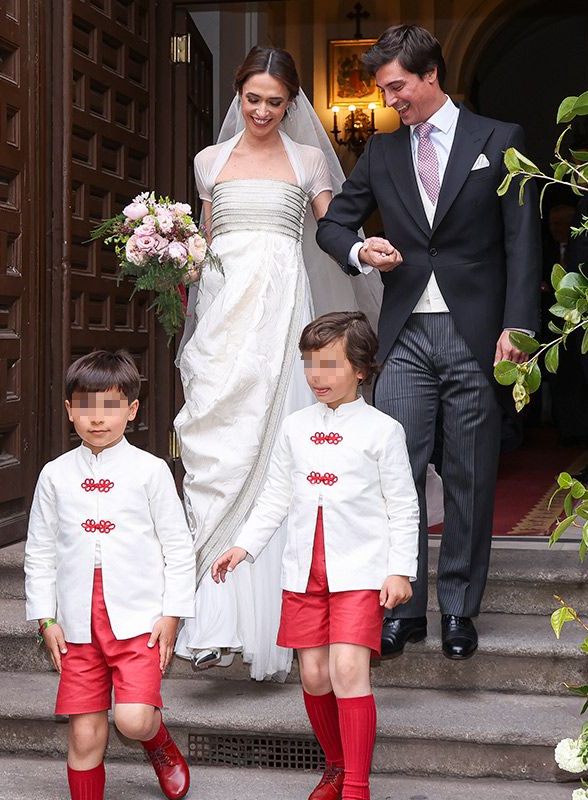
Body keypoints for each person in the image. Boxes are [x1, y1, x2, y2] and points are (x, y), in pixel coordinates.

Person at [316, 25, 541, 661]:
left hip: (477, 333)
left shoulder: (500, 140)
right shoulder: (383, 152)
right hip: (405, 333)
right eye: (384, 90)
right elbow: (334, 222)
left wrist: (518, 327)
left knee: (471, 475)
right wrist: (362, 249)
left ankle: (460, 611)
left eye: (397, 87)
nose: (391, 102)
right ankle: (404, 608)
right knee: (398, 474)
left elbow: (523, 241)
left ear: (430, 76)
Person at [173, 46, 383, 679]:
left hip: (279, 314)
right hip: (220, 316)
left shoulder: (309, 159)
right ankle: (209, 621)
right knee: (214, 447)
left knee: (273, 459)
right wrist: (164, 256)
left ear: (292, 104)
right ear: (237, 95)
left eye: (275, 101)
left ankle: (267, 623)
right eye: (251, 98)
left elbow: (331, 230)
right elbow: (202, 245)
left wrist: (361, 250)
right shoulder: (209, 161)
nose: (261, 110)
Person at [212, 312, 419, 800]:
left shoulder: (383, 431)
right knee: (314, 673)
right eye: (309, 363)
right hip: (304, 571)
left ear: (362, 369)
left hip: (360, 571)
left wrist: (399, 569)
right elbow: (275, 498)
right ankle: (336, 765)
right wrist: (244, 545)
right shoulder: (295, 428)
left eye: (329, 364)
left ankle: (356, 787)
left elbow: (403, 505)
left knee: (348, 671)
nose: (316, 376)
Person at [24, 350, 196, 800]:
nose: (97, 419)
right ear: (69, 411)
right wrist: (46, 618)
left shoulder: (151, 471)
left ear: (132, 410)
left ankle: (158, 743)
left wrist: (172, 614)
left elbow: (178, 547)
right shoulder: (55, 475)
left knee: (133, 719)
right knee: (84, 735)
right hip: (78, 624)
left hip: (139, 620)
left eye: (110, 407)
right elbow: (39, 551)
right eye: (85, 407)